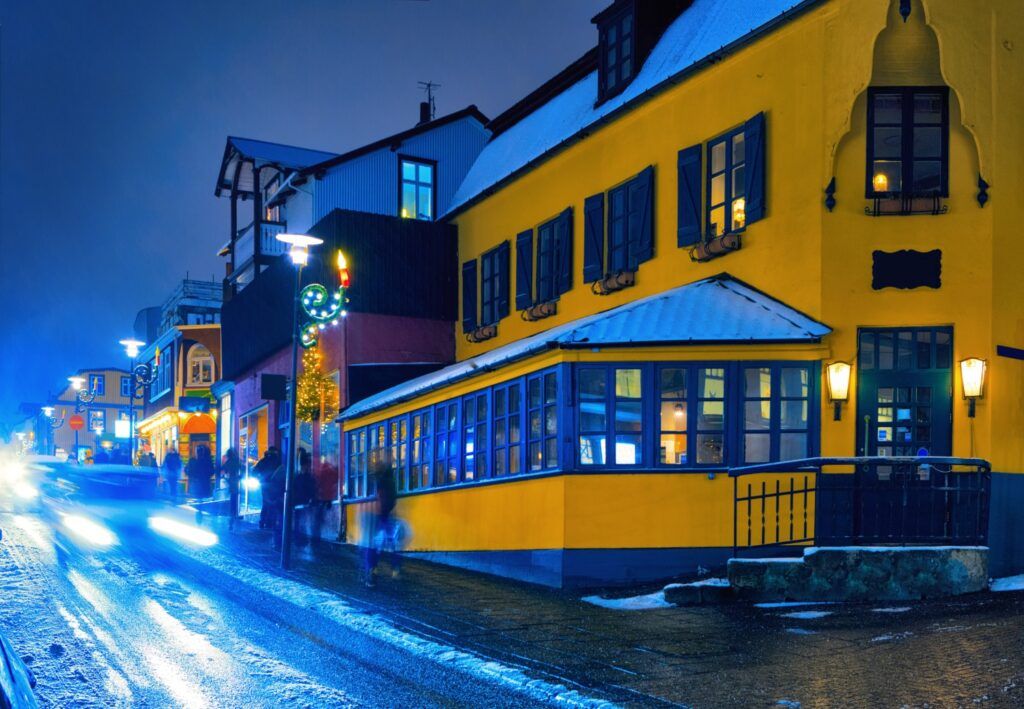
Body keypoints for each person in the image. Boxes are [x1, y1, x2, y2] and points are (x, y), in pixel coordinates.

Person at [362, 460, 402, 587]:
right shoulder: (392, 483)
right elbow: (393, 501)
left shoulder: (380, 483)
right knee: (392, 544)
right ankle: (395, 569)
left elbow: (378, 499)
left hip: (379, 517)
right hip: (387, 516)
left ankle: (372, 570)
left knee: (372, 545)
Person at [254, 447, 280, 529]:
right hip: (274, 485)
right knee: (273, 504)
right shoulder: (277, 461)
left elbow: (254, 471)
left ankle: (262, 522)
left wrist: (260, 479)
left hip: (265, 485)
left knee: (265, 503)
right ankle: (270, 523)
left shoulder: (263, 461)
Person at [221, 448, 241, 530]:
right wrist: (240, 477)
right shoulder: (236, 462)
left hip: (230, 481)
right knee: (234, 498)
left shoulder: (228, 462)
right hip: (235, 481)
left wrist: (225, 478)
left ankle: (231, 515)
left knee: (232, 498)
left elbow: (223, 470)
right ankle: (233, 514)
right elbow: (242, 468)